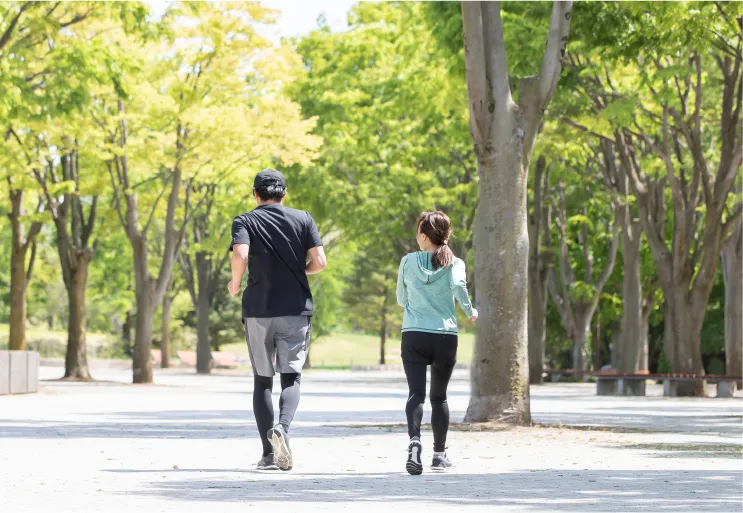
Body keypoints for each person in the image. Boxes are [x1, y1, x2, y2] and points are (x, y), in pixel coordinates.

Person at [228, 168, 327, 471]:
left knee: (262, 381)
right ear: (284, 194)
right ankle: (282, 427)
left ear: (255, 194)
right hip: (295, 309)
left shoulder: (244, 220)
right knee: (291, 376)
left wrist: (235, 284)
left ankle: (268, 456)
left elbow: (241, 255)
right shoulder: (303, 219)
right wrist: (301, 271)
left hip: (258, 310)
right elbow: (320, 262)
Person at [396, 211, 477, 475]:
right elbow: (459, 288)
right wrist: (469, 310)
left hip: (414, 335)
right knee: (439, 396)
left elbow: (400, 298)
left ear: (422, 235)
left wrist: (414, 303)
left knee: (415, 394)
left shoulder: (408, 261)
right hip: (445, 336)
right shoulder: (455, 262)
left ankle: (414, 441)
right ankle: (439, 455)